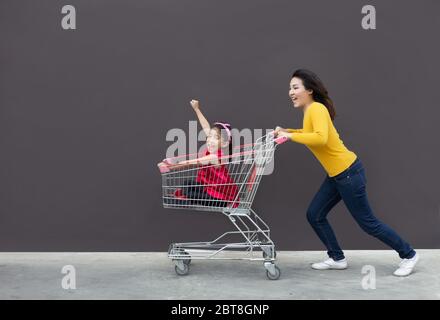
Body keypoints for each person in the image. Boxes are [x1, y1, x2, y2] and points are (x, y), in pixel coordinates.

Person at [274, 69, 419, 276]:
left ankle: (409, 255)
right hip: (337, 175)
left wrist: (290, 137)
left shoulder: (316, 109)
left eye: (295, 87)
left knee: (368, 223)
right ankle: (337, 258)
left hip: (348, 173)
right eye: (290, 88)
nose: (291, 92)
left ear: (310, 90)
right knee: (315, 214)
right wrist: (288, 132)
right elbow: (310, 134)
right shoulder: (309, 111)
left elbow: (320, 138)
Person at [158, 100, 239, 208]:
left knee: (191, 194)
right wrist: (197, 109)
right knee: (187, 183)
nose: (210, 140)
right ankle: (184, 197)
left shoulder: (214, 157)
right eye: (209, 136)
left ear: (224, 143)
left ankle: (183, 199)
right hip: (210, 189)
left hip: (221, 198)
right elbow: (206, 127)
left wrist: (171, 166)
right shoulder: (211, 149)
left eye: (216, 138)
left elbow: (191, 163)